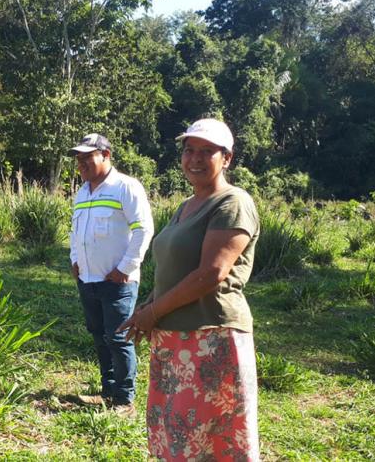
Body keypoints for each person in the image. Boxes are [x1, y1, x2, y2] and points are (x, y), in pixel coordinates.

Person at [119, 119, 261, 460]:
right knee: (178, 434)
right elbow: (173, 269)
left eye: (207, 151)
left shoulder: (232, 202)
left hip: (210, 335)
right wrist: (147, 309)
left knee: (211, 439)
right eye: (189, 150)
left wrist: (154, 312)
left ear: (226, 158)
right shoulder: (186, 206)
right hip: (174, 335)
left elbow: (211, 274)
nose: (195, 158)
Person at [68, 133, 154, 415]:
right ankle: (107, 391)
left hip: (117, 282)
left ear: (106, 155)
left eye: (87, 157)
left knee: (118, 339)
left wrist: (124, 268)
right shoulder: (83, 192)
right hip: (88, 279)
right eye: (78, 158)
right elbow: (75, 231)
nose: (81, 163)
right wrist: (74, 259)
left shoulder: (125, 187)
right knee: (99, 335)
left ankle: (124, 400)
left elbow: (143, 229)